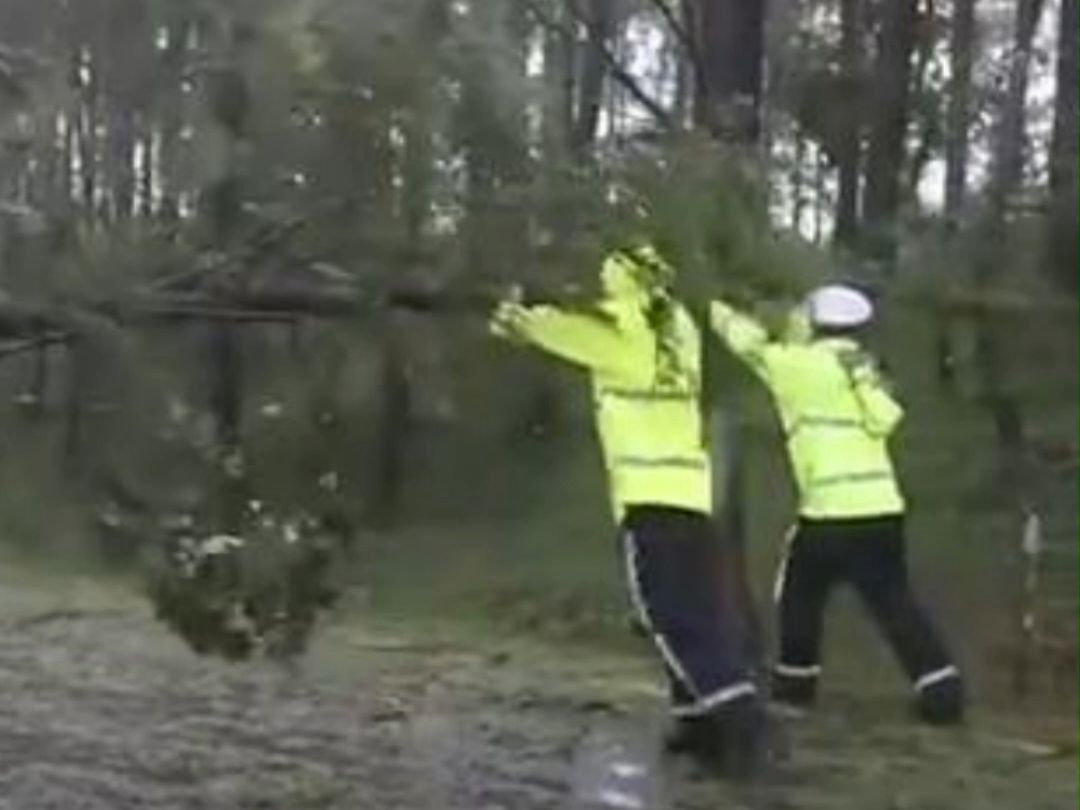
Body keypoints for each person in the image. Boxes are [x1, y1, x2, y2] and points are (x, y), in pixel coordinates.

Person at [489, 243, 769, 774]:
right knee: (701, 614)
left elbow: (550, 331)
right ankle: (697, 722)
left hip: (648, 501)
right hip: (691, 498)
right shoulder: (679, 327)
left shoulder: (623, 337)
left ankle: (741, 722)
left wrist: (513, 312)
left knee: (667, 618)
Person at [707, 283, 965, 725]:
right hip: (882, 507)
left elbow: (747, 344)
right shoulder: (865, 368)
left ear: (813, 321)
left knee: (799, 596)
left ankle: (795, 686)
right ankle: (942, 690)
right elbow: (886, 417)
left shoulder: (797, 365)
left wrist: (712, 301)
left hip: (828, 510)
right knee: (894, 601)